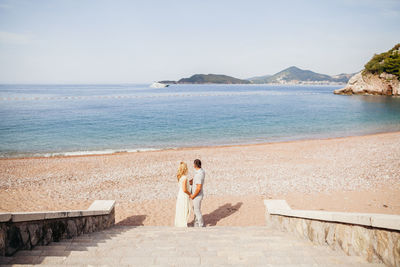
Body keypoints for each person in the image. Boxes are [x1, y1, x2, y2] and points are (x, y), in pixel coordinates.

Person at [174, 162, 191, 227]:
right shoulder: (185, 178)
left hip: (180, 194)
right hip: (184, 195)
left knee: (180, 209)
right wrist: (190, 194)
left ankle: (180, 223)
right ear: (185, 169)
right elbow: (184, 189)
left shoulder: (180, 177)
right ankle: (183, 224)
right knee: (184, 209)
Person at [190, 159, 205, 227]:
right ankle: (196, 224)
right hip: (197, 194)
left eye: (193, 164)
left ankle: (201, 224)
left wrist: (193, 195)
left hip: (197, 195)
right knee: (195, 209)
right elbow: (194, 180)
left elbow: (198, 187)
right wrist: (189, 182)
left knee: (197, 210)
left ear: (195, 165)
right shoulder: (200, 171)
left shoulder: (199, 174)